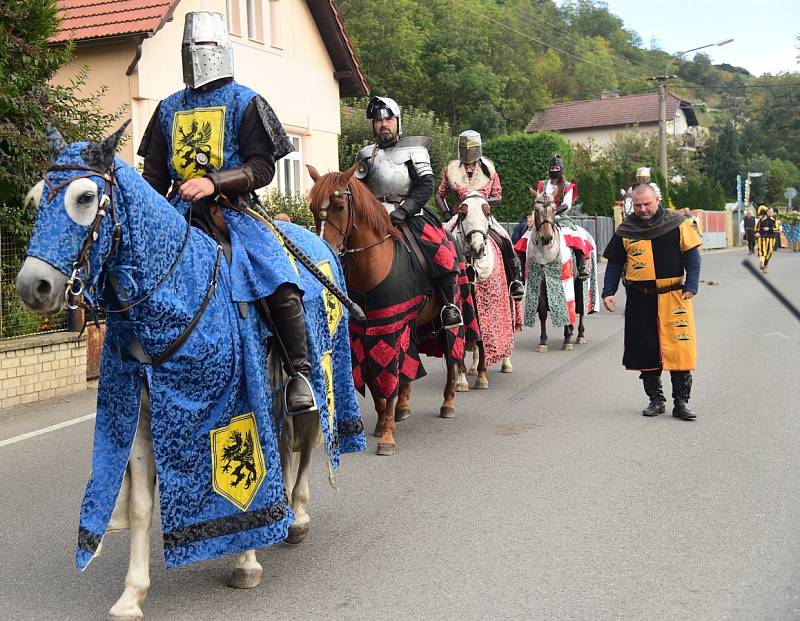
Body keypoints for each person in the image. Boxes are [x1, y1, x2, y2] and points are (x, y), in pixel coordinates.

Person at [137, 11, 315, 414]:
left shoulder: (245, 101)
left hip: (232, 212)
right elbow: (154, 176)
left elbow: (262, 168)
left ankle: (298, 373)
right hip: (178, 213)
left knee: (275, 274)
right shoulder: (167, 108)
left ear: (222, 50)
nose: (195, 54)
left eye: (203, 46)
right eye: (189, 47)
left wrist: (214, 182)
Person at [354, 96, 463, 329]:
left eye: (388, 119)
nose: (383, 124)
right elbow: (357, 189)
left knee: (440, 249)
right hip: (373, 216)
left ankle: (448, 305)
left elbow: (426, 186)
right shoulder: (366, 155)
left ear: (397, 122)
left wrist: (405, 210)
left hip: (410, 213)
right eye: (378, 120)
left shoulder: (414, 150)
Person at [601, 184, 702, 421]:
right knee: (646, 350)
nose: (643, 209)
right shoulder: (626, 230)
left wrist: (692, 286)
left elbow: (692, 256)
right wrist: (608, 291)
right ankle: (656, 400)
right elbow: (615, 263)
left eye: (647, 204)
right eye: (637, 205)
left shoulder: (677, 224)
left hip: (674, 295)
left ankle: (681, 402)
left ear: (657, 199)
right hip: (640, 297)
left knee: (679, 349)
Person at [435, 130, 525, 300]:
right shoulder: (452, 170)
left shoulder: (488, 170)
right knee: (438, 241)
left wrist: (479, 201)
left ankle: (515, 280)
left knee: (504, 238)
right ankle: (438, 288)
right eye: (465, 147)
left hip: (483, 217)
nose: (468, 151)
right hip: (460, 216)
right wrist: (447, 214)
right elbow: (440, 195)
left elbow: (498, 197)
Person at [537, 155, 590, 280]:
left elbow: (567, 205)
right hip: (543, 217)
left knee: (574, 234)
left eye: (557, 167)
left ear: (561, 169)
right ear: (549, 169)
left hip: (561, 217)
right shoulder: (542, 185)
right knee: (527, 235)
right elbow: (537, 200)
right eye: (552, 167)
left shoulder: (568, 186)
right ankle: (522, 270)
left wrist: (554, 212)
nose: (554, 169)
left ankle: (581, 266)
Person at [755, 206, 778, 273]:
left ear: (773, 213)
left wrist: (769, 229)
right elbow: (756, 228)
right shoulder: (761, 219)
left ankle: (765, 266)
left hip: (771, 238)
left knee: (769, 253)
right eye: (769, 211)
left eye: (771, 212)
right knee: (762, 251)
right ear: (766, 212)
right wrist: (757, 233)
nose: (770, 213)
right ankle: (762, 262)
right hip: (762, 238)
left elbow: (777, 229)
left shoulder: (774, 220)